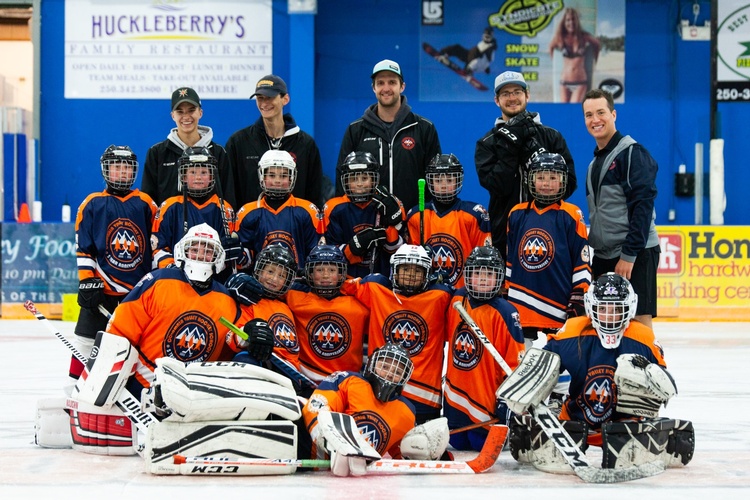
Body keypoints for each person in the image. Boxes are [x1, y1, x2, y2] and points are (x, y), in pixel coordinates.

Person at [503, 273, 689, 471]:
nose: (609, 315)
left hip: (627, 426)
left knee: (633, 373)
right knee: (559, 467)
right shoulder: (573, 331)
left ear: (630, 309)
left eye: (616, 309)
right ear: (591, 308)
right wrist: (526, 387)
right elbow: (541, 367)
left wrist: (646, 377)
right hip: (574, 422)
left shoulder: (642, 337)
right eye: (603, 308)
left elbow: (664, 387)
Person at [71, 145, 158, 389]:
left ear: (134, 172)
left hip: (136, 296)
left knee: (136, 348)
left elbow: (155, 245)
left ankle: (130, 393)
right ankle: (74, 391)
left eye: (126, 168)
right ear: (106, 170)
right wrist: (87, 281)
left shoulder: (146, 204)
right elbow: (84, 247)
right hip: (102, 292)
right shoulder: (92, 203)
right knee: (85, 344)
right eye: (116, 167)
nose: (121, 172)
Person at [341, 244, 453, 424]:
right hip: (380, 388)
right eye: (405, 269)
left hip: (425, 396)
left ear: (428, 274)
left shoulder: (441, 296)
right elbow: (338, 284)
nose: (410, 275)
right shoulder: (376, 288)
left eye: (417, 270)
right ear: (393, 270)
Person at [475, 71, 576, 260]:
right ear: (496, 100)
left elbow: (569, 183)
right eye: (505, 94)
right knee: (508, 289)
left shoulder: (551, 136)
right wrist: (511, 143)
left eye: (517, 92)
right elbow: (498, 186)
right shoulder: (487, 143)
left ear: (527, 95)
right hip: (505, 233)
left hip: (551, 230)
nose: (512, 98)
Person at [582, 89, 660, 328]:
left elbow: (643, 207)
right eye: (589, 115)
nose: (595, 120)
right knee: (606, 321)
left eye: (601, 112)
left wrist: (629, 255)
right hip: (604, 256)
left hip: (635, 254)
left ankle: (648, 364)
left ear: (613, 114)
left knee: (638, 322)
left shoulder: (632, 153)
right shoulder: (595, 163)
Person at [505, 152, 591, 347]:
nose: (546, 183)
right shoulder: (517, 213)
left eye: (553, 178)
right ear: (531, 180)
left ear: (563, 181)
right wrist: (506, 289)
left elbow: (582, 260)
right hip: (521, 302)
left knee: (558, 368)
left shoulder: (571, 214)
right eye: (541, 177)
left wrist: (579, 295)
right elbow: (511, 260)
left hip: (558, 302)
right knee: (523, 365)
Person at [444, 245, 525, 451]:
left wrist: (508, 401)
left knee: (481, 444)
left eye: (489, 274)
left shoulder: (506, 312)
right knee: (457, 443)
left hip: (486, 402)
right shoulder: (457, 299)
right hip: (455, 400)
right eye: (477, 273)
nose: (482, 279)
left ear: (499, 278)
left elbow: (515, 365)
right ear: (467, 276)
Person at [336, 59, 441, 211]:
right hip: (368, 220)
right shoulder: (356, 130)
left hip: (413, 221)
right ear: (373, 88)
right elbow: (342, 177)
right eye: (380, 83)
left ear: (402, 86)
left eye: (392, 82)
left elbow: (435, 179)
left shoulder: (424, 128)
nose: (386, 88)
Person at [226, 75, 326, 209]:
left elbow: (315, 192)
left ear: (285, 99)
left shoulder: (305, 144)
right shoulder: (239, 142)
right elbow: (229, 191)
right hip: (249, 226)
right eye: (260, 98)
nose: (264, 103)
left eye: (270, 97)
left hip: (296, 226)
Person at [226, 243, 309, 394]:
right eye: (270, 271)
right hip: (260, 362)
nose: (274, 279)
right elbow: (232, 337)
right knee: (244, 359)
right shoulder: (248, 301)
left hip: (289, 370)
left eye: (282, 275)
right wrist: (249, 332)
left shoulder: (288, 304)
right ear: (258, 270)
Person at [151, 147, 241, 281]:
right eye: (192, 172)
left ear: (212, 176)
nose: (198, 177)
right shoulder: (170, 207)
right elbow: (157, 248)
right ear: (183, 176)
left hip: (214, 281)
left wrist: (228, 255)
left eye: (204, 172)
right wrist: (173, 269)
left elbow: (231, 252)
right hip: (178, 280)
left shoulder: (224, 208)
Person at [405, 153, 492, 288]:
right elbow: (410, 263)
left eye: (450, 180)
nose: (444, 185)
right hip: (428, 294)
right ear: (430, 182)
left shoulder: (474, 215)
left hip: (463, 293)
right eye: (438, 181)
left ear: (458, 181)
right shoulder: (417, 215)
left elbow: (483, 259)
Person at [285, 245, 369, 382]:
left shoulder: (360, 305)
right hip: (306, 380)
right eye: (319, 270)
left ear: (341, 274)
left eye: (331, 270)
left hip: (347, 383)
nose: (325, 275)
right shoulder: (294, 297)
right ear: (310, 273)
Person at [142, 87, 235, 207]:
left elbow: (228, 197)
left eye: (191, 110)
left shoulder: (218, 152)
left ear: (200, 113)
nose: (186, 117)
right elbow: (149, 202)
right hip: (169, 225)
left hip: (211, 224)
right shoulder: (157, 153)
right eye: (180, 112)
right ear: (172, 116)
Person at [234, 149, 322, 273]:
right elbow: (245, 261)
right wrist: (239, 255)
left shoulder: (308, 210)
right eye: (271, 175)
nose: (277, 180)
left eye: (283, 175)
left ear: (292, 177)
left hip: (298, 284)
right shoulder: (247, 212)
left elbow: (315, 251)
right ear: (262, 176)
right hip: (261, 285)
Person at [324, 151, 405, 278]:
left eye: (364, 178)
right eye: (354, 179)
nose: (360, 184)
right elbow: (328, 254)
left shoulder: (388, 203)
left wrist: (392, 226)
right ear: (345, 181)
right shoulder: (333, 207)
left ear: (374, 180)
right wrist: (353, 247)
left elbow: (396, 250)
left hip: (381, 280)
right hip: (346, 280)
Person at [548, 7, 601, 103]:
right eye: (568, 20)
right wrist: (554, 63)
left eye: (573, 19)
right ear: (564, 22)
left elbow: (597, 44)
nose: (571, 22)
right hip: (564, 82)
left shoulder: (584, 36)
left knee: (573, 110)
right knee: (564, 112)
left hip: (580, 82)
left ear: (577, 21)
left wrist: (595, 61)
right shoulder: (560, 38)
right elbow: (550, 47)